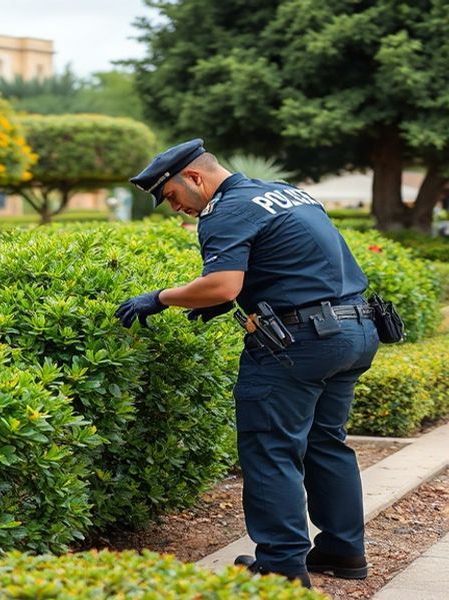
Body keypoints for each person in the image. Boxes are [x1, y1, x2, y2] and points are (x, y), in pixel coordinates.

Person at [115, 139, 380, 589]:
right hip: (355, 329)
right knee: (326, 443)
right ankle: (343, 550)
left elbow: (221, 285)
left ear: (194, 177)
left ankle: (282, 565)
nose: (175, 208)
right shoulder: (284, 190)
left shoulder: (226, 210)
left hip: (299, 343)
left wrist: (159, 298)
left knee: (270, 449)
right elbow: (296, 261)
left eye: (173, 195)